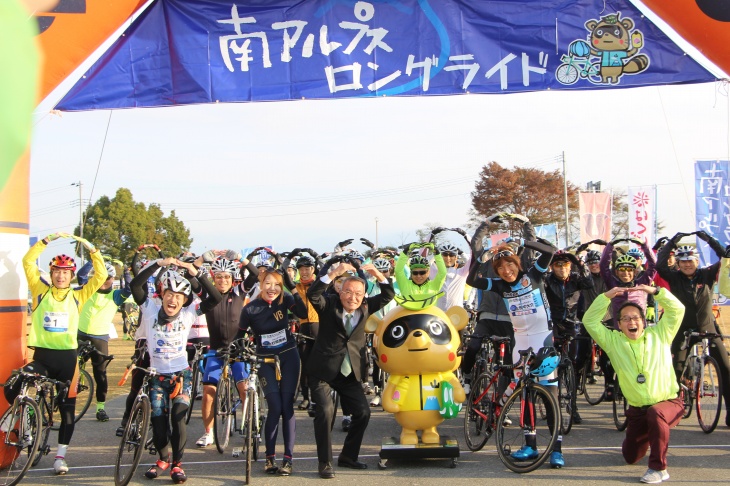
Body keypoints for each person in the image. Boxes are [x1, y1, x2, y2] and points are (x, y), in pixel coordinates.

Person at [9, 232, 107, 475]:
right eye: (57, 271)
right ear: (51, 274)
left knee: (67, 411)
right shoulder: (39, 289)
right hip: (42, 357)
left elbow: (102, 275)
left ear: (71, 275)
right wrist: (45, 242)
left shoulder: (78, 295)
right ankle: (26, 426)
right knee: (15, 383)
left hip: (67, 360)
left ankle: (60, 457)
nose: (61, 275)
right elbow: (27, 262)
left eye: (65, 272)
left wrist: (91, 248)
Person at [466, 239, 566, 468]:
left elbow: (550, 250)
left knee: (549, 397)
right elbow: (472, 280)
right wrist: (484, 256)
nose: (505, 271)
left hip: (543, 340)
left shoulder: (534, 275)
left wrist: (523, 242)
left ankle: (556, 450)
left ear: (517, 263)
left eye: (509, 265)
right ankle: (530, 445)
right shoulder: (500, 285)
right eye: (500, 268)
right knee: (526, 396)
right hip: (520, 342)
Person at [131, 257, 222, 484]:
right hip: (156, 376)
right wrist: (158, 264)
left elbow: (216, 297)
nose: (173, 299)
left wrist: (194, 272)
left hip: (181, 375)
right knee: (159, 424)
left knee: (178, 418)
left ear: (184, 301)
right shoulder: (150, 308)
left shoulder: (190, 312)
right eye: (170, 294)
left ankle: (177, 464)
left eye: (179, 297)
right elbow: (135, 286)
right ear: (162, 295)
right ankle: (162, 459)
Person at [582, 284, 685, 484]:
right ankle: (653, 432)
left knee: (657, 413)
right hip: (638, 411)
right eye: (626, 319)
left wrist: (656, 292)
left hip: (669, 403)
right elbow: (589, 320)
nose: (631, 322)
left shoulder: (661, 334)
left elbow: (677, 309)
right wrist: (605, 296)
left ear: (643, 321)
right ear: (618, 324)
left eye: (636, 317)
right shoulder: (613, 341)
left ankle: (658, 468)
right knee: (630, 457)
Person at [306, 260, 394, 479]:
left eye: (358, 293)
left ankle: (348, 456)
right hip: (323, 372)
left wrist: (377, 274)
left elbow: (388, 295)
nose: (352, 298)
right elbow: (313, 295)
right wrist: (334, 272)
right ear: (340, 290)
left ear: (364, 295)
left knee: (363, 413)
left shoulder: (365, 307)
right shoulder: (328, 304)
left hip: (349, 372)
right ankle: (325, 463)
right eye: (348, 292)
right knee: (326, 412)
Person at [238, 267, 308, 476]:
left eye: (277, 284)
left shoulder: (285, 298)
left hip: (288, 356)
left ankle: (288, 459)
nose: (273, 288)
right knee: (275, 406)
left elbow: (303, 313)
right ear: (261, 284)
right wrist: (239, 350)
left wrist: (291, 287)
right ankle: (269, 458)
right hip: (264, 359)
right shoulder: (250, 309)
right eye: (268, 283)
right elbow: (239, 337)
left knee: (287, 407)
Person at [656, 232, 730, 426]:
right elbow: (659, 264)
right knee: (675, 369)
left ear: (697, 261)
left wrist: (709, 239)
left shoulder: (707, 274)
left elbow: (725, 258)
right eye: (683, 262)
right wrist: (672, 241)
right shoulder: (673, 277)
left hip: (707, 328)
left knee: (726, 367)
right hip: (683, 329)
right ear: (678, 264)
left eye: (691, 261)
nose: (687, 264)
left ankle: (729, 410)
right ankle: (671, 408)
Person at [195, 251, 256, 448]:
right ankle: (208, 433)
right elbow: (191, 276)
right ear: (214, 277)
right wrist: (201, 259)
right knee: (208, 392)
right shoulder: (208, 294)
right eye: (219, 276)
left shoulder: (239, 292)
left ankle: (251, 424)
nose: (222, 280)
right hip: (215, 350)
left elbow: (255, 275)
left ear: (232, 278)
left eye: (227, 276)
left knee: (243, 388)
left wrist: (240, 257)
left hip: (237, 350)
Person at [76, 260, 131, 422]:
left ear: (113, 278)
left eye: (108, 277)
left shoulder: (115, 295)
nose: (104, 279)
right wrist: (92, 262)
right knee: (70, 369)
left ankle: (100, 408)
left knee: (100, 375)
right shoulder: (88, 288)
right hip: (81, 335)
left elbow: (129, 288)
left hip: (100, 338)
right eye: (102, 276)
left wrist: (126, 272)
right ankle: (65, 395)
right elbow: (81, 275)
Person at [544, 250, 593, 425]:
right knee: (551, 364)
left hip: (572, 323)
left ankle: (573, 406)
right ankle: (550, 401)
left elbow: (589, 282)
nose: (562, 268)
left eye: (565, 264)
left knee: (572, 362)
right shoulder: (547, 280)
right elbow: (537, 279)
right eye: (558, 265)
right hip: (552, 323)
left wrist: (578, 261)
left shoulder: (575, 280)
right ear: (552, 267)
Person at [600, 237, 657, 327]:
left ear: (634, 272)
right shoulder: (612, 284)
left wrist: (644, 245)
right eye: (622, 269)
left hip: (639, 331)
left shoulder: (642, 283)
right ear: (616, 272)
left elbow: (653, 265)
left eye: (629, 270)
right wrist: (610, 245)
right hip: (619, 333)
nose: (626, 273)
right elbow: (603, 266)